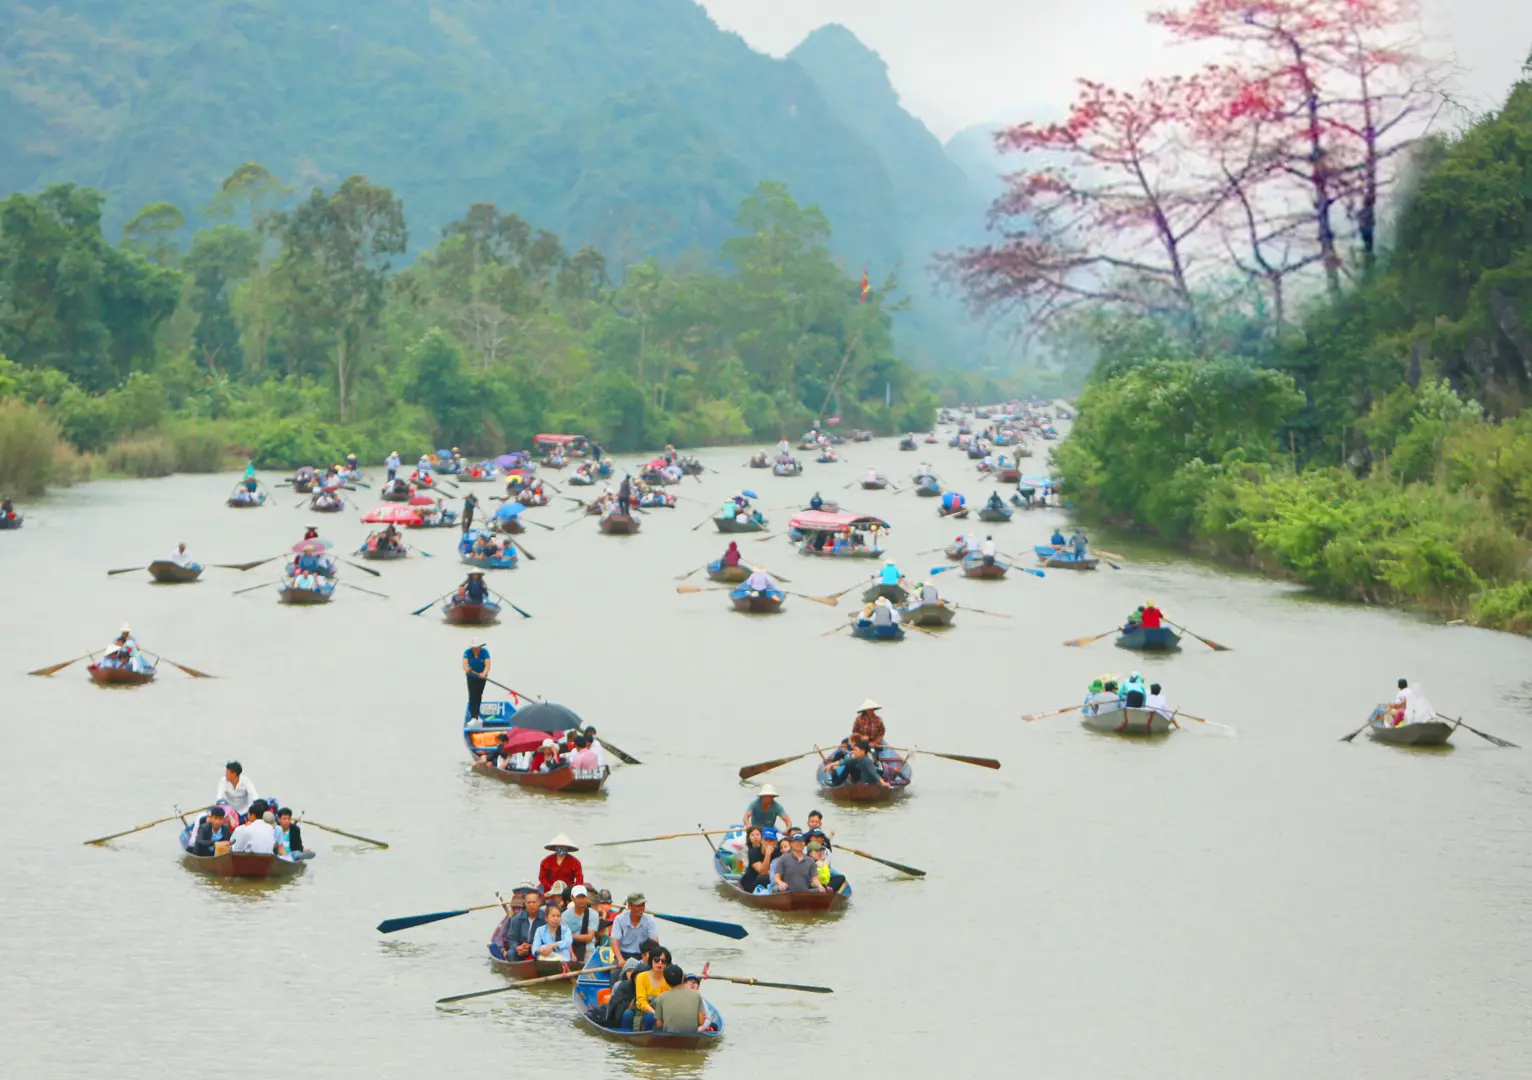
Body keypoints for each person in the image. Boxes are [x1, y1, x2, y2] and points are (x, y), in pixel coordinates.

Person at [609, 893, 659, 969]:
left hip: (642, 956)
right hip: (623, 955)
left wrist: (647, 959)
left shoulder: (650, 921)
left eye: (643, 905)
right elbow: (614, 941)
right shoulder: (619, 919)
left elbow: (654, 942)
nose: (641, 908)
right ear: (629, 906)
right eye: (638, 906)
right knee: (614, 974)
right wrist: (620, 959)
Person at [651, 965, 706, 1033]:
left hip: (670, 1037)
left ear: (665, 981)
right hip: (692, 1037)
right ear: (682, 978)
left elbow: (659, 1024)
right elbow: (701, 1021)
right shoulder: (696, 994)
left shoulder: (661, 997)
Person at [564, 885, 600, 963]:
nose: (581, 900)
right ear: (572, 898)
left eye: (583, 897)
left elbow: (589, 937)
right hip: (569, 948)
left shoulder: (593, 914)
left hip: (588, 948)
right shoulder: (565, 915)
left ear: (586, 898)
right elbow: (564, 937)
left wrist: (570, 935)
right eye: (578, 897)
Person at [737, 826, 772, 893]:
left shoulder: (774, 850)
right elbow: (762, 871)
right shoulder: (749, 850)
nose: (755, 837)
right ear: (749, 837)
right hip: (751, 879)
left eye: (757, 834)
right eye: (752, 835)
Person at [463, 638, 491, 721]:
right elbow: (464, 664)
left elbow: (487, 665)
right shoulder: (467, 652)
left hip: (481, 677)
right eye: (474, 647)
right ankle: (473, 716)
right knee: (472, 695)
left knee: (478, 695)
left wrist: (484, 673)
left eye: (477, 647)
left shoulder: (485, 652)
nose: (475, 649)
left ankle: (477, 713)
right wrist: (467, 669)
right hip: (471, 676)